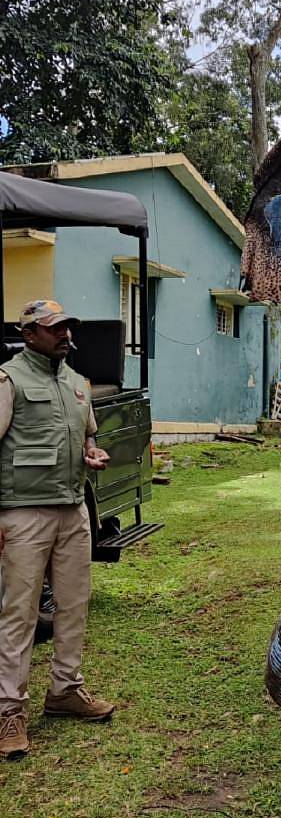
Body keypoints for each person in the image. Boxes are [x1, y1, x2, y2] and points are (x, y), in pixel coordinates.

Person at [0, 300, 113, 761]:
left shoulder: (76, 382)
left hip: (72, 510)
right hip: (24, 513)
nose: (65, 334)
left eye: (67, 327)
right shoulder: (9, 379)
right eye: (54, 329)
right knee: (19, 614)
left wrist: (92, 452)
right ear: (29, 335)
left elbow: (87, 434)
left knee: (73, 605)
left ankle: (65, 690)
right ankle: (10, 711)